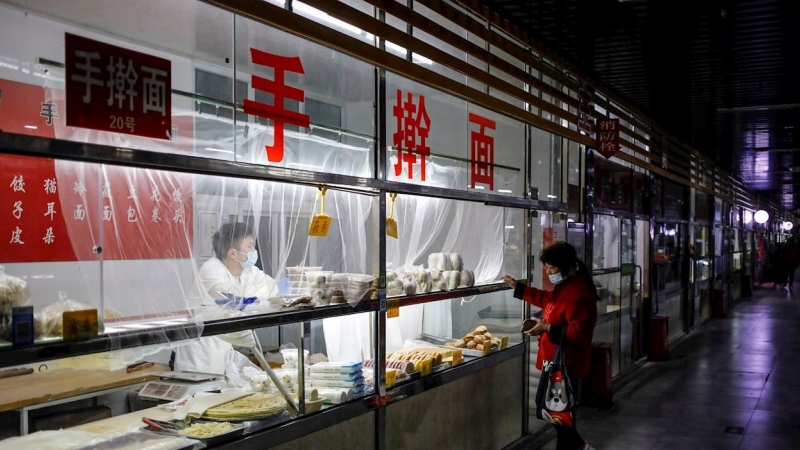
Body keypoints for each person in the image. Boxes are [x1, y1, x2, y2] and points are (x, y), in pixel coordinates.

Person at [503, 241, 598, 450]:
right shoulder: (565, 286)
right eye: (546, 267)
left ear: (567, 267)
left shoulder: (579, 293)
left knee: (560, 416)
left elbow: (579, 334)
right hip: (554, 362)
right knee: (557, 416)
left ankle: (579, 447)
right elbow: (548, 300)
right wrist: (519, 288)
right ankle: (581, 447)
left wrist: (547, 327)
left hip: (566, 364)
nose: (547, 271)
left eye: (551, 267)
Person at [176, 223, 279, 374]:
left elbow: (273, 289)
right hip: (200, 352)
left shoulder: (250, 271)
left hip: (224, 346)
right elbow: (228, 297)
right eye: (250, 246)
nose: (254, 251)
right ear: (233, 253)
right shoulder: (211, 269)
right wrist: (253, 296)